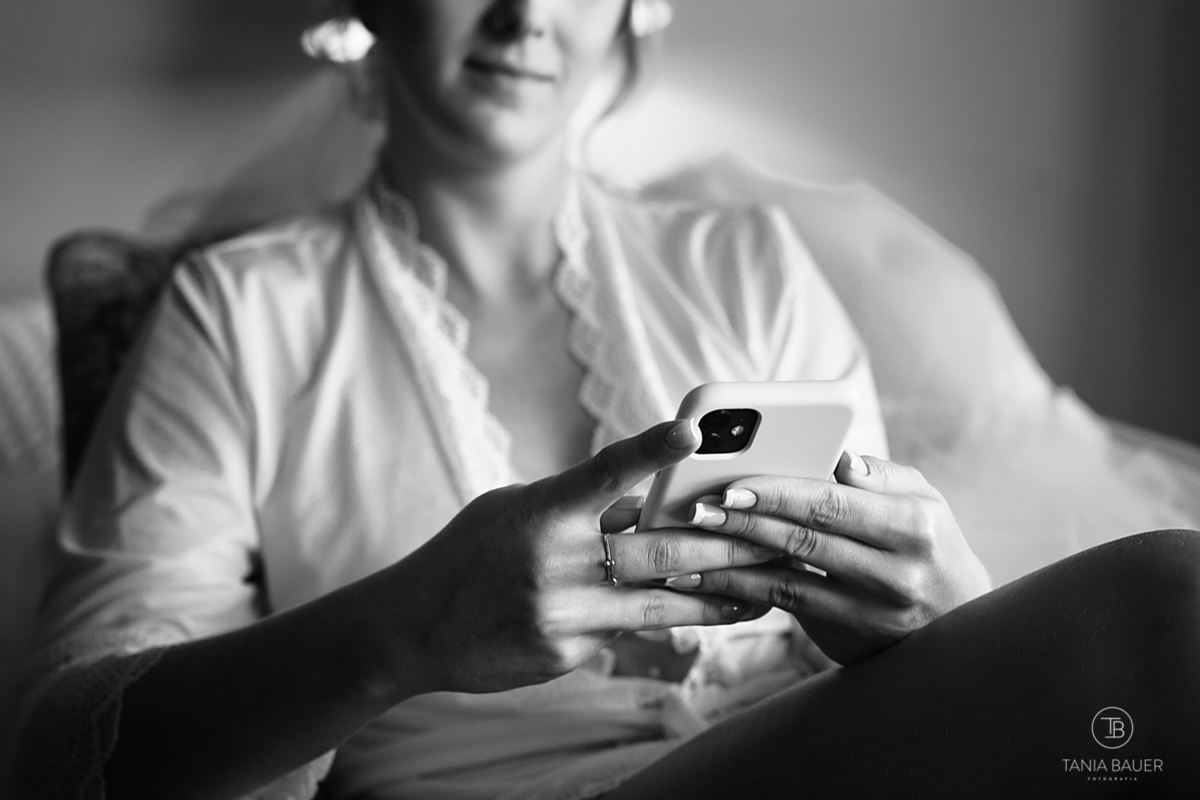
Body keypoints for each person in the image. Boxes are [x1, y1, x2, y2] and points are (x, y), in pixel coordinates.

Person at [16, 1, 1200, 798]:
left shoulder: (748, 259)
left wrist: (939, 615)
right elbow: (63, 748)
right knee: (1167, 599)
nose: (527, 12)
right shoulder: (237, 309)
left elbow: (879, 646)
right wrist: (414, 625)